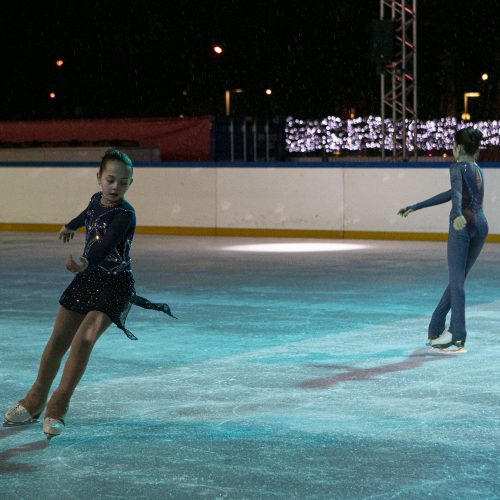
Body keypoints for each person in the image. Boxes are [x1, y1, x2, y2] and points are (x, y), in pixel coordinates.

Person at [3, 149, 176, 437]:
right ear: (99, 178)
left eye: (123, 182)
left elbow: (104, 245)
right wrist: (71, 225)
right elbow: (89, 214)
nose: (115, 187)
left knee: (83, 340)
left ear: (131, 183)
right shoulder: (97, 199)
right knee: (57, 341)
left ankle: (58, 405)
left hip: (115, 285)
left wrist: (84, 262)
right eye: (110, 179)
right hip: (86, 282)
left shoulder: (125, 215)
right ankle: (34, 400)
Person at [398, 127, 487, 353]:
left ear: (457, 147)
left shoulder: (457, 167)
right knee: (457, 280)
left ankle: (457, 335)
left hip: (462, 226)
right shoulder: (476, 169)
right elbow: (452, 192)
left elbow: (456, 197)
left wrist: (457, 215)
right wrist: (417, 206)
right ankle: (436, 328)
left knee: (456, 281)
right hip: (481, 225)